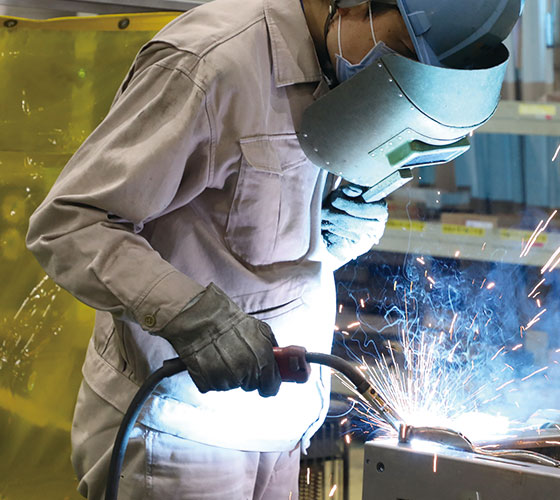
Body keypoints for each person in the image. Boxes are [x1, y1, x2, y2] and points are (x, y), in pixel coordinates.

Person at [26, 0, 521, 498]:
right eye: (398, 50)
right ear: (355, 4)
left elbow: (253, 240)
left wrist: (335, 237)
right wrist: (188, 314)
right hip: (178, 438)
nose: (390, 75)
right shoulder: (210, 64)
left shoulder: (333, 68)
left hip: (279, 430)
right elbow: (70, 222)